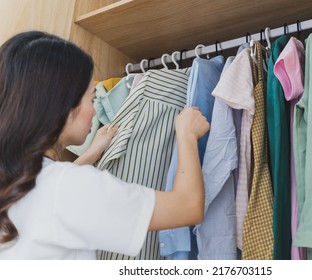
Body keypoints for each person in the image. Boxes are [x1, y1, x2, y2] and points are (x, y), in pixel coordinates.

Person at [0, 31, 209, 259]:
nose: (94, 109)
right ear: (63, 105)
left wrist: (89, 155)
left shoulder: (15, 178)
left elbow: (49, 194)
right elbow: (188, 207)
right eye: (91, 98)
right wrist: (187, 136)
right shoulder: (69, 186)